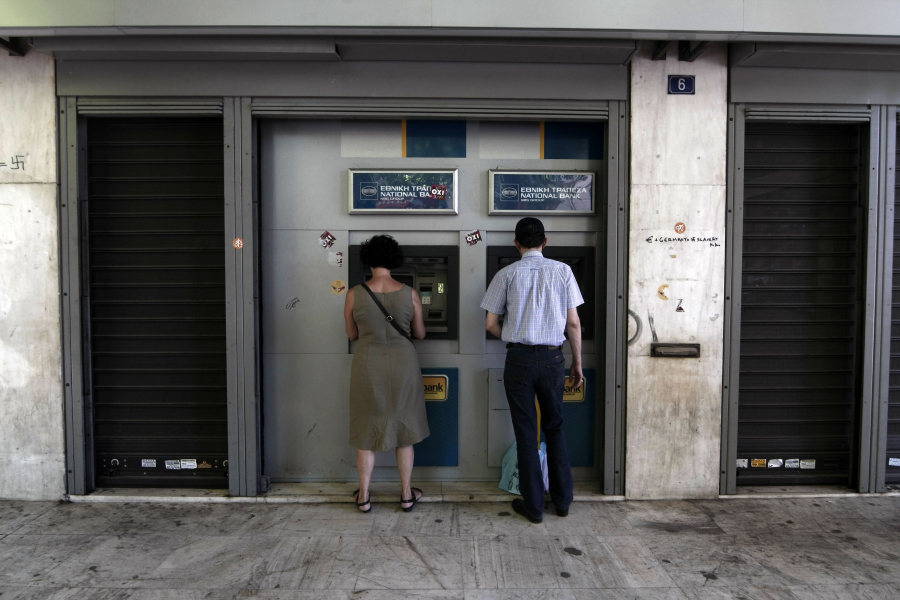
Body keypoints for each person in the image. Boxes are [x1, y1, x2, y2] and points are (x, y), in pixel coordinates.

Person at [481, 217, 584, 523]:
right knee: (555, 428)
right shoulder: (563, 271)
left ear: (517, 244)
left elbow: (490, 324)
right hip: (554, 360)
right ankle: (563, 501)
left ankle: (534, 507)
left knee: (527, 432)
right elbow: (574, 323)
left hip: (519, 361)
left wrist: (514, 335)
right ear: (545, 241)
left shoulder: (505, 274)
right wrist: (577, 362)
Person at [343, 235, 430, 513]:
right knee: (404, 428)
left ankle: (365, 497)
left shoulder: (354, 294)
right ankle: (406, 495)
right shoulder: (411, 293)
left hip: (368, 363)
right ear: (394, 260)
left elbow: (352, 334)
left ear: (368, 260)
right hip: (404, 364)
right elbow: (419, 333)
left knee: (367, 427)